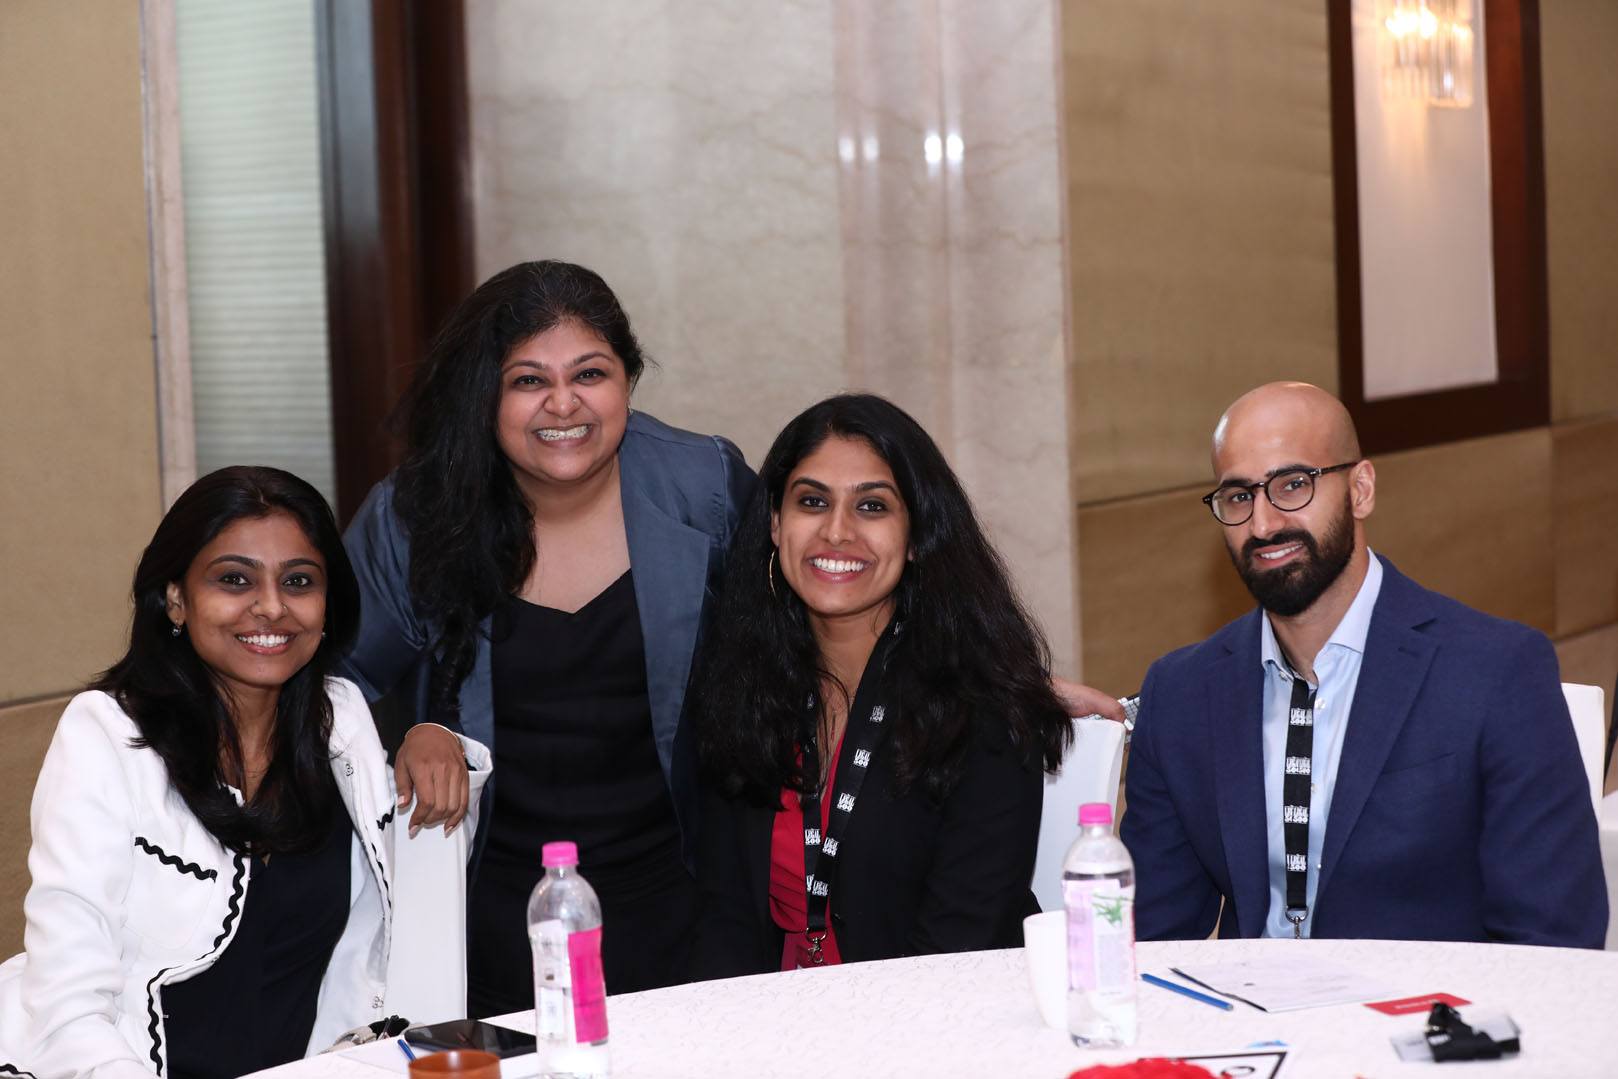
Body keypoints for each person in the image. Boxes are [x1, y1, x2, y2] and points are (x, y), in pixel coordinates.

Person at [340, 260, 754, 1008]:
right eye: (528, 380)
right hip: (487, 915)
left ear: (628, 380)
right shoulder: (414, 516)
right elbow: (331, 683)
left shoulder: (706, 488)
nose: (563, 403)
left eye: (590, 373)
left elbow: (796, 646)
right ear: (485, 395)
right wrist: (414, 731)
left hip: (689, 897)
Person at [0, 466, 489, 1078]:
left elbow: (408, 915)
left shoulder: (339, 719)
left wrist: (434, 742)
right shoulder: (105, 733)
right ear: (176, 598)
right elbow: (66, 997)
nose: (272, 607)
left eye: (299, 581)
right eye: (234, 579)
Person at [1120, 382, 1607, 947]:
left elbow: (1553, 938)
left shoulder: (1495, 672)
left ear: (1360, 489)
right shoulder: (1181, 693)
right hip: (1248, 1003)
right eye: (1237, 496)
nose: (1263, 524)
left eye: (1293, 485)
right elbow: (1148, 942)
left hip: (1428, 1001)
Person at [691, 394, 1075, 974]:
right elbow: (725, 921)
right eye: (812, 501)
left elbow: (960, 946)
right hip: (773, 1013)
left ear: (918, 535)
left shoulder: (982, 711)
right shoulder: (744, 688)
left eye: (872, 506)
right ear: (774, 523)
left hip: (938, 1012)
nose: (836, 531)